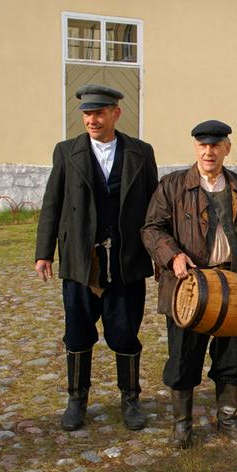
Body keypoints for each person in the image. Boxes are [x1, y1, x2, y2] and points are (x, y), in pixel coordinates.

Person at [141, 120, 237, 449]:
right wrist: (172, 256)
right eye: (203, 144)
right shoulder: (172, 186)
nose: (209, 151)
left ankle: (227, 417)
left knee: (231, 357)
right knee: (183, 357)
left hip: (234, 284)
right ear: (195, 148)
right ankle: (182, 424)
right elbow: (152, 229)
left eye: (216, 145)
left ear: (227, 148)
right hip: (188, 286)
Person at [35, 84, 158, 432]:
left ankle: (130, 400)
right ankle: (77, 400)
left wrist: (161, 256)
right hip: (79, 262)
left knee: (125, 334)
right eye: (87, 114)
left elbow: (154, 209)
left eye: (99, 113)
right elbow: (52, 204)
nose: (92, 119)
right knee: (77, 333)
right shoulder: (66, 152)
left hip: (126, 261)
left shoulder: (140, 152)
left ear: (116, 113)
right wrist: (44, 253)